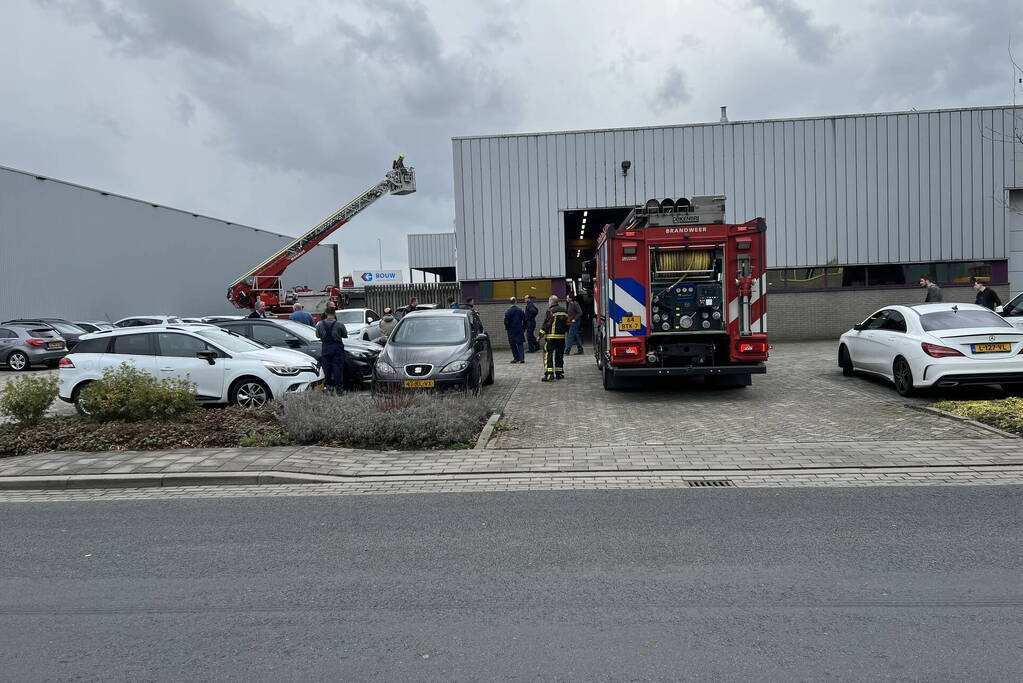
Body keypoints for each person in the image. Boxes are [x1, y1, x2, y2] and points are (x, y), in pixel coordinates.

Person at [315, 305, 348, 392]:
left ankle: (328, 386)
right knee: (338, 368)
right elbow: (345, 335)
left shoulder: (320, 324)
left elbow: (317, 335)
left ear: (325, 313)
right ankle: (338, 387)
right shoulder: (340, 324)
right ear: (334, 313)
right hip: (337, 347)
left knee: (326, 368)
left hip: (325, 347)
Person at [539, 295, 568, 382]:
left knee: (548, 355)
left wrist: (540, 335)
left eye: (549, 301)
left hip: (551, 338)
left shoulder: (550, 311)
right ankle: (559, 374)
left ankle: (549, 375)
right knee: (559, 355)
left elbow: (547, 324)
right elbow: (568, 323)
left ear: (551, 302)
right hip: (561, 338)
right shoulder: (564, 311)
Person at [504, 297, 527, 364]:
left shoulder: (508, 312)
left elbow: (506, 322)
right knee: (520, 344)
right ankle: (522, 358)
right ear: (516, 302)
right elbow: (525, 320)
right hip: (519, 329)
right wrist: (524, 328)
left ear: (510, 302)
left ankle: (516, 358)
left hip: (511, 330)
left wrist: (508, 329)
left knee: (513, 345)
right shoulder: (520, 310)